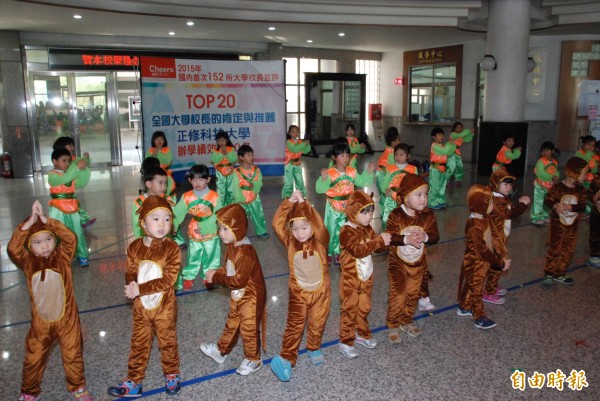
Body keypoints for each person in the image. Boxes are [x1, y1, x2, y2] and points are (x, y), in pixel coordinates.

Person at [7, 201, 94, 401]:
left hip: (68, 320)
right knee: (34, 357)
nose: (45, 245)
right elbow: (13, 249)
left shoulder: (62, 257)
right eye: (37, 242)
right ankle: (29, 391)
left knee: (72, 354)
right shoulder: (28, 262)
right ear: (30, 245)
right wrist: (28, 224)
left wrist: (48, 221)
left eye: (48, 239)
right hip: (41, 323)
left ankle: (78, 387)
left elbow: (70, 238)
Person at [108, 196, 181, 398]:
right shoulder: (134, 247)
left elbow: (168, 280)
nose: (162, 224)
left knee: (167, 342)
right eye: (156, 218)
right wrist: (131, 283)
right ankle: (134, 380)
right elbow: (131, 270)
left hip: (164, 308)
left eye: (167, 219)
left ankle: (172, 374)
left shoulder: (171, 249)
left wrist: (140, 288)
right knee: (139, 343)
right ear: (143, 223)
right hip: (141, 308)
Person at [270, 191, 330, 382]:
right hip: (298, 291)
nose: (299, 233)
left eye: (304, 227)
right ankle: (286, 358)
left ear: (312, 225)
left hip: (320, 292)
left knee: (317, 322)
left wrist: (305, 204)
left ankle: (313, 347)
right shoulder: (290, 241)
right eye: (294, 228)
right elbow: (276, 223)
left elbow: (320, 225)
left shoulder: (321, 240)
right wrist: (288, 202)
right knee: (294, 325)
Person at [200, 203, 267, 376]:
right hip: (239, 293)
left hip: (252, 295)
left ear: (237, 228)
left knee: (248, 327)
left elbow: (238, 280)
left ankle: (254, 359)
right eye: (219, 228)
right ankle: (221, 351)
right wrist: (215, 274)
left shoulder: (245, 252)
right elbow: (229, 270)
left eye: (225, 229)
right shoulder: (232, 246)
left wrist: (216, 278)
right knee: (232, 322)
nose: (220, 233)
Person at [385, 174, 439, 343]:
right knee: (399, 293)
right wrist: (405, 239)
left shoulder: (428, 215)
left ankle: (406, 320)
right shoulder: (396, 215)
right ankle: (393, 324)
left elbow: (435, 235)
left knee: (413, 294)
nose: (423, 199)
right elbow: (390, 237)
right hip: (398, 264)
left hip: (418, 264)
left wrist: (425, 237)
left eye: (425, 194)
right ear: (406, 197)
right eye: (419, 195)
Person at [338, 191, 390, 358]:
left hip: (366, 278)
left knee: (364, 308)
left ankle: (362, 334)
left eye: (371, 211)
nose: (369, 216)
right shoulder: (346, 231)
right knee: (350, 309)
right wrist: (378, 241)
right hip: (351, 281)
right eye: (364, 212)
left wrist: (385, 241)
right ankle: (345, 341)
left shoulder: (367, 228)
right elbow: (358, 250)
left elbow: (378, 247)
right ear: (353, 211)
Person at [457, 185, 509, 330]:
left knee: (471, 285)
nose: (493, 205)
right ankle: (479, 316)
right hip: (475, 263)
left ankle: (464, 307)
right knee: (476, 289)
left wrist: (503, 255)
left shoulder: (485, 219)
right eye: (490, 202)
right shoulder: (473, 225)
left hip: (484, 262)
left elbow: (495, 238)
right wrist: (498, 263)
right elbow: (483, 250)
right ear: (482, 204)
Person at [316, 141, 376, 265]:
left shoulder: (352, 171)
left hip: (348, 207)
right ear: (334, 157)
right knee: (331, 230)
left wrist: (369, 172)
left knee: (344, 230)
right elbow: (320, 189)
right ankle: (329, 252)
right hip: (333, 207)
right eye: (341, 155)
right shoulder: (330, 173)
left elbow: (363, 181)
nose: (345, 158)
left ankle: (339, 252)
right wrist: (323, 179)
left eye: (347, 155)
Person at [483, 169, 530, 305]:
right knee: (497, 264)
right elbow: (508, 214)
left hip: (501, 236)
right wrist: (523, 205)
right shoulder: (496, 200)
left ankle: (493, 286)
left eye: (510, 184)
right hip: (495, 239)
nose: (509, 187)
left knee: (497, 265)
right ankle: (489, 292)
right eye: (506, 184)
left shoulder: (502, 197)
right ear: (495, 184)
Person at [172, 164, 221, 291]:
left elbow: (219, 215)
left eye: (201, 179)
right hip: (195, 230)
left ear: (208, 180)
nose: (197, 183)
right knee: (193, 254)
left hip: (211, 231)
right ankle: (189, 276)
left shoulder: (214, 196)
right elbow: (178, 213)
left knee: (211, 254)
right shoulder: (187, 197)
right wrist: (173, 225)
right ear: (189, 180)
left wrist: (210, 227)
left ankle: (209, 276)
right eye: (194, 180)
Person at [542, 157, 589, 285]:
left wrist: (569, 207)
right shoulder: (557, 187)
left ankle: (560, 273)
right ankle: (549, 272)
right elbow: (547, 200)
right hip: (557, 226)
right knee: (555, 249)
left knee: (569, 250)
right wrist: (555, 205)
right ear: (575, 173)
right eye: (585, 173)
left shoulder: (581, 190)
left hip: (572, 228)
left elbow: (583, 206)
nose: (587, 176)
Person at [48, 148, 91, 267]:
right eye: (64, 160)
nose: (67, 164)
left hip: (72, 208)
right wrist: (76, 167)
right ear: (54, 161)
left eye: (69, 161)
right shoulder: (52, 175)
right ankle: (59, 256)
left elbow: (82, 182)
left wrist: (84, 168)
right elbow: (64, 179)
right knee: (58, 232)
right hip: (57, 209)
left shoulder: (72, 174)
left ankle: (82, 255)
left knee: (77, 231)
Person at [52, 136, 96, 228]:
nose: (72, 148)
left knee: (75, 206)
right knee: (66, 210)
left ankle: (83, 221)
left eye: (72, 145)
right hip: (61, 195)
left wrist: (85, 159)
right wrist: (76, 167)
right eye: (69, 145)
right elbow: (66, 175)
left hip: (69, 191)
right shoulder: (57, 168)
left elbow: (77, 164)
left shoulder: (71, 158)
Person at [232, 144, 270, 238]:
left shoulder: (256, 170)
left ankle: (261, 231)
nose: (251, 157)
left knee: (258, 215)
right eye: (248, 155)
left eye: (252, 155)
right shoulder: (236, 172)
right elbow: (235, 187)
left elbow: (259, 182)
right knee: (241, 218)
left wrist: (255, 187)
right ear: (241, 157)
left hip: (254, 197)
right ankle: (239, 233)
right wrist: (239, 199)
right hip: (242, 199)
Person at [131, 166, 176, 239]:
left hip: (165, 239)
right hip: (147, 240)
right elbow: (137, 226)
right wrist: (140, 242)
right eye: (160, 183)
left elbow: (173, 219)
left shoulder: (168, 200)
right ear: (149, 184)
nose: (164, 187)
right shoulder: (139, 203)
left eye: (165, 183)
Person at [380, 143, 418, 228]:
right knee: (388, 219)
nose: (398, 157)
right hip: (391, 199)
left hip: (406, 200)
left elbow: (416, 184)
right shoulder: (390, 168)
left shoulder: (413, 169)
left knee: (406, 219)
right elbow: (385, 183)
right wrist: (386, 189)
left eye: (401, 155)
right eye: (396, 154)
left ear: (408, 156)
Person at [530, 141, 559, 226]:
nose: (544, 153)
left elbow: (556, 171)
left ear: (552, 151)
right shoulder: (540, 161)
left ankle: (544, 215)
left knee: (547, 201)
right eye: (543, 151)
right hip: (540, 185)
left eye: (547, 150)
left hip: (550, 186)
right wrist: (552, 177)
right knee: (538, 201)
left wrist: (556, 176)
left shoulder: (554, 162)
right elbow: (541, 173)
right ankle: (536, 218)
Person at [428, 127, 456, 210]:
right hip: (435, 169)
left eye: (443, 135)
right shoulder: (434, 146)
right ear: (434, 137)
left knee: (442, 186)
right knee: (435, 186)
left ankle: (440, 200)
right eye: (439, 135)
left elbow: (450, 151)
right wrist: (449, 144)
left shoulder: (442, 145)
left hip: (443, 168)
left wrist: (453, 144)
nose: (442, 137)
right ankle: (432, 202)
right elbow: (445, 151)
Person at [281, 124, 311, 199]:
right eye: (293, 132)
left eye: (297, 132)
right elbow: (295, 149)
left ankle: (301, 195)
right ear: (289, 133)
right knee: (289, 182)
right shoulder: (288, 142)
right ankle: (287, 196)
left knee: (300, 181)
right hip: (289, 165)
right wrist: (304, 143)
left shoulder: (300, 142)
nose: (295, 133)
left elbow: (306, 151)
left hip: (297, 164)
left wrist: (308, 144)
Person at [376, 127, 402, 212]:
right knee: (385, 192)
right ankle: (385, 212)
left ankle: (385, 210)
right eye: (398, 140)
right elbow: (395, 165)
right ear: (393, 142)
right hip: (382, 175)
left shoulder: (389, 148)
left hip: (382, 173)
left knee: (385, 193)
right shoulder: (391, 153)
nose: (399, 142)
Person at [210, 130, 238, 206]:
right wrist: (220, 154)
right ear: (217, 142)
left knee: (231, 190)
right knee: (221, 191)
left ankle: (231, 206)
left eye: (223, 140)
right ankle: (221, 208)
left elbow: (234, 160)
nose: (221, 142)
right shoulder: (216, 151)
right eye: (219, 140)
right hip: (220, 173)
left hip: (230, 172)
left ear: (227, 140)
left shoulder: (231, 149)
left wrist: (228, 154)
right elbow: (213, 161)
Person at [145, 131, 175, 196]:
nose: (159, 141)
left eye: (161, 139)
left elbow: (168, 161)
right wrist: (153, 155)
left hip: (164, 172)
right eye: (157, 139)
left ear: (164, 140)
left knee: (167, 185)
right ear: (153, 140)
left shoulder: (167, 150)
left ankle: (166, 197)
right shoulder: (150, 150)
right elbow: (147, 162)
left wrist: (159, 153)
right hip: (153, 173)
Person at [446, 121, 474, 187]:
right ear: (454, 128)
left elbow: (468, 139)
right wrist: (468, 130)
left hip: (457, 152)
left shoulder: (460, 136)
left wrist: (471, 133)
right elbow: (461, 135)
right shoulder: (453, 134)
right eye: (458, 128)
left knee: (460, 166)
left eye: (461, 128)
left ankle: (458, 179)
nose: (460, 129)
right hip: (451, 152)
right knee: (451, 167)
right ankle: (446, 180)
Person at [589, 174, 600, 267]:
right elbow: (589, 194)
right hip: (597, 214)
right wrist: (594, 199)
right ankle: (595, 255)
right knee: (595, 234)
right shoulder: (596, 181)